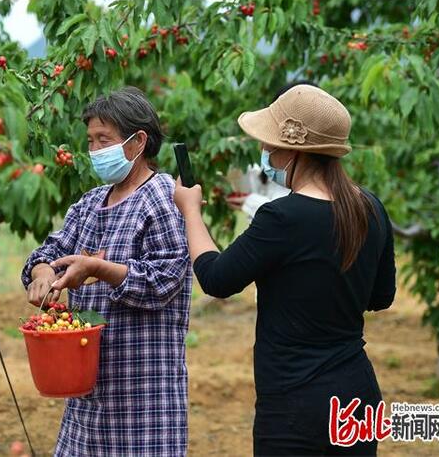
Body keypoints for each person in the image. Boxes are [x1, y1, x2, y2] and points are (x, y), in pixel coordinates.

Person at [174, 84, 396, 455]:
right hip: (357, 395)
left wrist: (191, 211)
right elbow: (381, 296)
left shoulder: (282, 217)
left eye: (269, 146)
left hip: (296, 402)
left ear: (293, 151)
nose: (264, 154)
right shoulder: (370, 207)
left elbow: (215, 278)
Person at [21, 87, 192, 456]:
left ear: (138, 142)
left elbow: (164, 280)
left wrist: (99, 268)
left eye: (105, 140)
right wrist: (41, 272)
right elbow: (51, 251)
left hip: (144, 398)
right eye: (91, 141)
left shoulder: (163, 198)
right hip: (89, 395)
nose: (96, 151)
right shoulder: (91, 203)